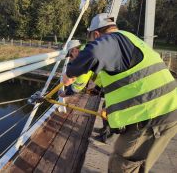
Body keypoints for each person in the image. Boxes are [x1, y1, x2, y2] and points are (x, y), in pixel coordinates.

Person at [62, 13, 177, 172]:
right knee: (138, 164)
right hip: (165, 108)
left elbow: (93, 53)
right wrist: (98, 90)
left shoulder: (110, 40)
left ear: (96, 34)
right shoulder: (128, 37)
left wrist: (69, 74)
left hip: (154, 114)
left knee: (121, 164)